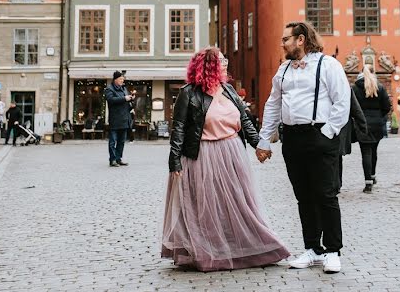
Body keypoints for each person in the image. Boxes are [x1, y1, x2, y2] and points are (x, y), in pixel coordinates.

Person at [162, 48, 289, 271]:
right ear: (209, 65)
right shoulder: (188, 93)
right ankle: (208, 250)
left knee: (239, 204)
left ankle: (251, 246)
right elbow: (179, 129)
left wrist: (259, 144)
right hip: (202, 156)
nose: (225, 63)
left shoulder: (229, 90)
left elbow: (245, 120)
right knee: (206, 207)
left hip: (232, 154)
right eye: (221, 60)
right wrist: (174, 162)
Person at [255, 21, 350, 274]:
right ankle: (312, 249)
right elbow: (273, 105)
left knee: (326, 195)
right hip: (293, 139)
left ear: (300, 39)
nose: (282, 43)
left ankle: (332, 250)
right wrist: (264, 140)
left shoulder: (328, 65)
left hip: (319, 135)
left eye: (286, 39)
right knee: (303, 197)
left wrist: (327, 133)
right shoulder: (283, 70)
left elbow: (342, 102)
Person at [352, 65, 390, 193]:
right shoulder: (379, 86)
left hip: (362, 123)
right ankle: (373, 176)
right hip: (377, 122)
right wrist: (380, 116)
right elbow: (387, 106)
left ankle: (368, 183)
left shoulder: (356, 88)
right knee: (374, 150)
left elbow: (352, 106)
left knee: (365, 152)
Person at [337, 78, 368, 190]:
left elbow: (355, 108)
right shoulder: (345, 86)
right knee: (337, 156)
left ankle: (336, 183)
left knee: (334, 156)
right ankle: (337, 183)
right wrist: (363, 125)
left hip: (330, 126)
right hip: (341, 126)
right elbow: (355, 109)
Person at [104, 71, 133, 167]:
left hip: (124, 119)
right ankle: (112, 160)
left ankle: (118, 158)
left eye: (123, 79)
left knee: (121, 141)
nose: (122, 81)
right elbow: (111, 100)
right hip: (115, 119)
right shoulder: (109, 89)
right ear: (115, 79)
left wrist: (131, 101)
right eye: (121, 79)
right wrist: (125, 98)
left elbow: (127, 103)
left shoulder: (124, 89)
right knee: (113, 141)